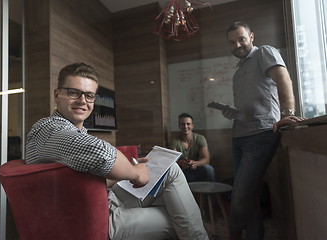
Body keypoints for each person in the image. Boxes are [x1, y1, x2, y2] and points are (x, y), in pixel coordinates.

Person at [26, 63, 209, 240]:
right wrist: (135, 173)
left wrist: (129, 167)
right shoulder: (47, 128)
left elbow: (79, 180)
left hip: (102, 201)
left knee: (171, 173)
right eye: (73, 93)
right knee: (182, 218)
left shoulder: (70, 132)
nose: (82, 100)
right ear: (57, 94)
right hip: (94, 218)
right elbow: (101, 153)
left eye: (89, 95)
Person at [223, 22, 304, 240]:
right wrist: (233, 112)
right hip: (238, 135)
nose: (237, 45)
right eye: (232, 42)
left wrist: (287, 113)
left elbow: (283, 79)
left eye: (241, 39)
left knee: (239, 196)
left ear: (251, 36)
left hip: (261, 134)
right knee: (249, 195)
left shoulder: (265, 52)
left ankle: (233, 233)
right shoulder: (238, 71)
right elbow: (250, 104)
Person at [170, 113, 215, 182]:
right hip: (182, 171)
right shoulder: (174, 141)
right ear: (179, 126)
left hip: (197, 169)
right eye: (183, 124)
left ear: (192, 126)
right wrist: (181, 163)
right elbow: (172, 161)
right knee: (172, 171)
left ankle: (212, 192)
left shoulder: (200, 138)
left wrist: (195, 163)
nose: (185, 126)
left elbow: (206, 159)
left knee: (209, 169)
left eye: (188, 124)